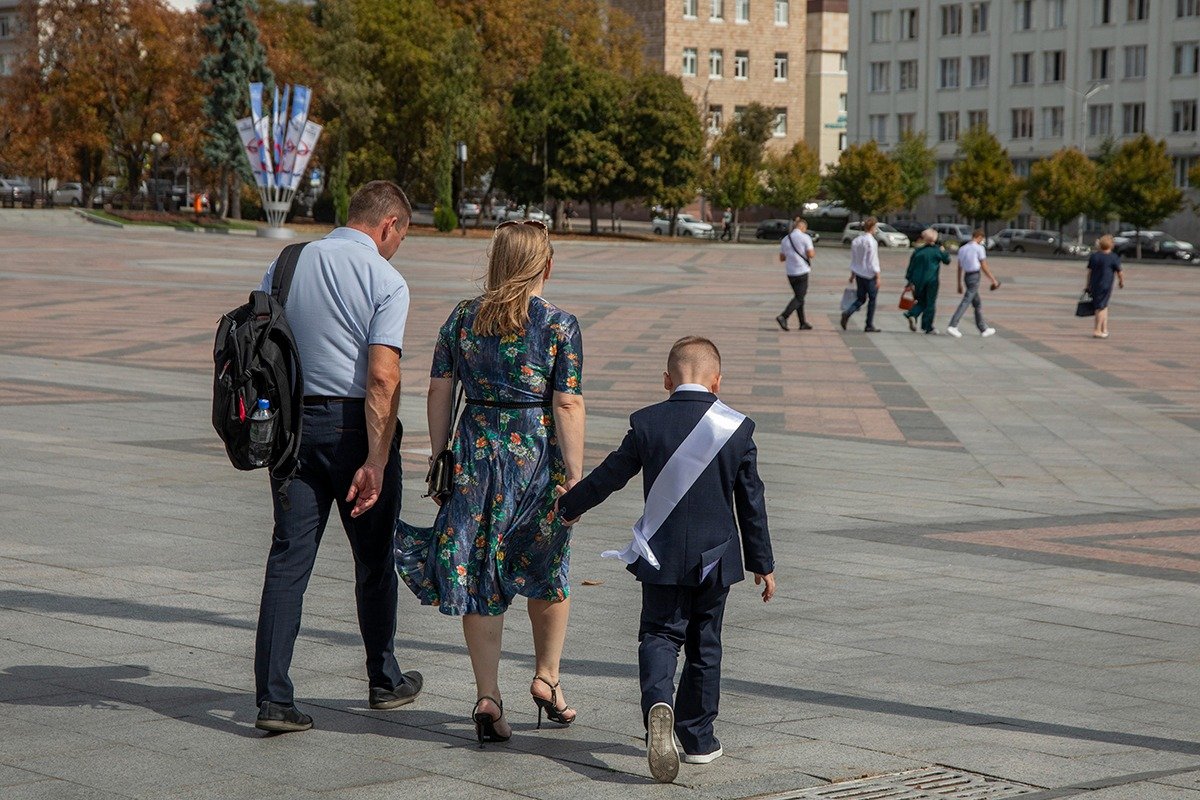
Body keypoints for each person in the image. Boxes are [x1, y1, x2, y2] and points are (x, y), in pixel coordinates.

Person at [396, 220, 586, 745]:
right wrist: (575, 474)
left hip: (476, 455)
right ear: (546, 265)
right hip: (535, 458)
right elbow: (567, 401)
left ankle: (487, 694)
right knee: (546, 566)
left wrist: (440, 456)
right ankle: (547, 677)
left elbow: (439, 390)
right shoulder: (558, 325)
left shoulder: (462, 318)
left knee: (481, 571)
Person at [556, 337, 775, 784]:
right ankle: (697, 739)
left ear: (666, 381)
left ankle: (659, 703)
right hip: (716, 559)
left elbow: (610, 476)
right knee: (705, 645)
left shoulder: (647, 423)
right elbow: (752, 501)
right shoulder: (737, 428)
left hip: (661, 555)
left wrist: (569, 505)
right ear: (717, 382)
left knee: (659, 634)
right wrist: (763, 563)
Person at [252, 180, 422, 733]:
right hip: (355, 430)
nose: (397, 246)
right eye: (401, 235)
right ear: (388, 225)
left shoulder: (286, 264)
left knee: (289, 559)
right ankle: (383, 678)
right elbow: (381, 376)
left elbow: (261, 344)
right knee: (374, 560)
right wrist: (375, 458)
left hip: (292, 428)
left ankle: (274, 700)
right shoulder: (386, 280)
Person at [946, 229, 999, 338]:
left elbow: (959, 267)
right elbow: (984, 265)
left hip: (966, 276)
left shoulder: (963, 248)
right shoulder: (979, 248)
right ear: (979, 237)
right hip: (974, 276)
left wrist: (959, 283)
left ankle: (983, 328)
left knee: (977, 303)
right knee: (966, 301)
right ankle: (953, 325)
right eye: (982, 239)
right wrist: (993, 280)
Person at [903, 228, 950, 334]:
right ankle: (927, 326)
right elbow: (947, 260)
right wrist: (944, 251)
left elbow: (911, 267)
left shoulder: (918, 251)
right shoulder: (937, 251)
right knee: (930, 303)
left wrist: (909, 280)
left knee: (921, 301)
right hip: (931, 280)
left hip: (917, 281)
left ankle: (912, 314)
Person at [840, 216, 882, 332]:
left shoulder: (857, 240)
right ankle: (869, 324)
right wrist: (878, 276)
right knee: (872, 299)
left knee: (861, 298)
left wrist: (853, 274)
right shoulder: (871, 242)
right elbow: (873, 260)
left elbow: (855, 259)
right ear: (872, 227)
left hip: (859, 273)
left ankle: (848, 312)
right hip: (869, 274)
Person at [775, 216, 815, 331]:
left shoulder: (785, 239)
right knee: (799, 297)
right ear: (803, 227)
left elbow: (782, 258)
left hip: (790, 272)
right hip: (802, 271)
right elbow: (811, 254)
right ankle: (784, 316)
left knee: (799, 297)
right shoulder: (805, 238)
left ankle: (802, 322)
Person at [1086, 234, 1124, 338]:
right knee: (1100, 308)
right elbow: (1119, 272)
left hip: (1094, 284)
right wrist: (1121, 282)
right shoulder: (1113, 257)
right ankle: (1097, 330)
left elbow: (1089, 272)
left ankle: (1104, 329)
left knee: (1103, 305)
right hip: (1106, 285)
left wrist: (1087, 285)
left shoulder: (1094, 256)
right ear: (1111, 245)